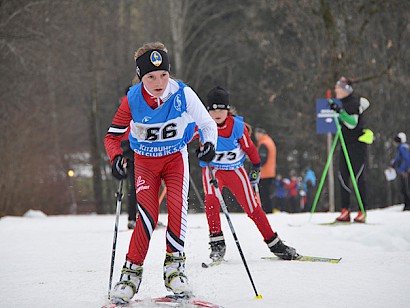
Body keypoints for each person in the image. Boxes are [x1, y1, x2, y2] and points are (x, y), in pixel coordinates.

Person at [104, 42, 218, 304]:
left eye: (163, 75)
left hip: (175, 159)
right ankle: (130, 274)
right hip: (144, 162)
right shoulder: (131, 99)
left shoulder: (183, 95)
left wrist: (209, 145)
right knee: (147, 216)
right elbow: (112, 137)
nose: (159, 82)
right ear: (141, 76)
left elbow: (207, 124)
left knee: (177, 206)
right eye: (151, 77)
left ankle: (175, 268)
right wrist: (116, 159)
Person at [197, 86, 299, 263]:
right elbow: (183, 138)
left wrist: (256, 168)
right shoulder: (203, 125)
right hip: (213, 171)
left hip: (235, 170)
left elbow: (251, 150)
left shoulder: (237, 126)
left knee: (252, 207)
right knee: (212, 202)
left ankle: (275, 243)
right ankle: (217, 244)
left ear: (227, 109)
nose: (217, 113)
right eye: (213, 109)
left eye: (221, 108)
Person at [328, 76, 371, 223]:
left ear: (346, 90)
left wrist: (340, 112)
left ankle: (361, 211)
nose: (336, 90)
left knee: (357, 177)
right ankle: (345, 210)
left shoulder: (353, 102)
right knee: (342, 175)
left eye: (338, 88)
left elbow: (352, 123)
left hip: (357, 145)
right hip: (344, 144)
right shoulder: (342, 102)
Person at [254, 127, 277, 214]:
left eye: (257, 134)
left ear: (261, 134)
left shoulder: (264, 143)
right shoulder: (269, 141)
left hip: (264, 173)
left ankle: (267, 211)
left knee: (264, 194)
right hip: (270, 172)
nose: (256, 137)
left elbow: (262, 159)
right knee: (266, 193)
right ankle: (268, 209)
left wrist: (255, 164)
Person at [390, 132, 410, 211]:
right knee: (404, 188)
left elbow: (407, 159)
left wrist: (403, 170)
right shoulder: (402, 148)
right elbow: (398, 159)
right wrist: (392, 165)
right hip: (405, 170)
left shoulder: (402, 148)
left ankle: (408, 204)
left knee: (405, 188)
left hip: (406, 171)